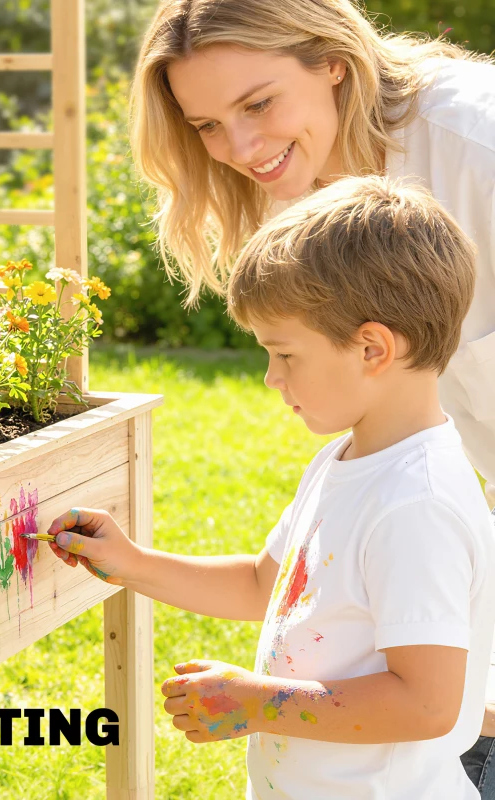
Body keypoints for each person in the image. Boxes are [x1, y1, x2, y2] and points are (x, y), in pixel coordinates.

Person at [128, 0, 495, 789]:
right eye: (207, 127)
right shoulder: (299, 184)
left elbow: (426, 701)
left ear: (332, 60)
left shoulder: (477, 140)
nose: (241, 148)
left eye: (257, 104)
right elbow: (273, 583)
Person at [47, 176, 495, 799]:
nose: (269, 377)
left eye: (284, 355)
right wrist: (132, 562)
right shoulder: (346, 459)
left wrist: (258, 702)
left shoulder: (417, 505)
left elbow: (426, 705)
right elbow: (268, 583)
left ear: (371, 348)